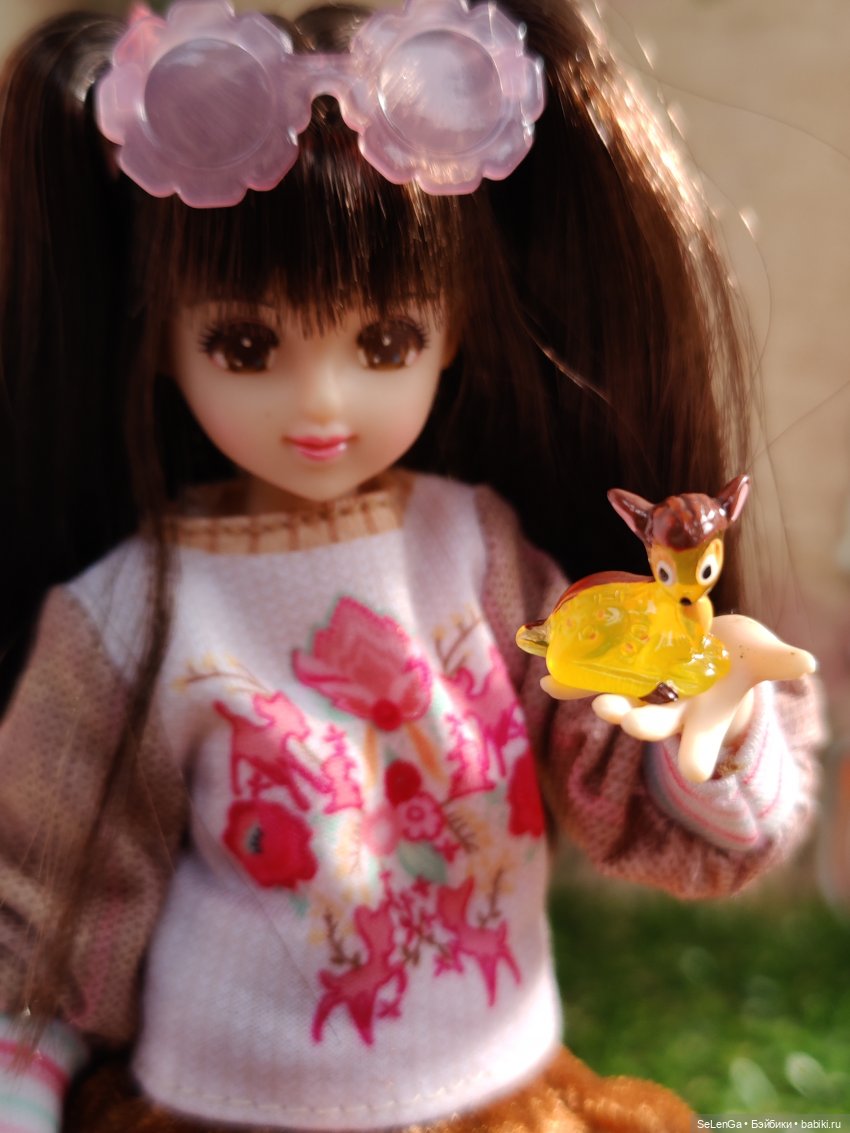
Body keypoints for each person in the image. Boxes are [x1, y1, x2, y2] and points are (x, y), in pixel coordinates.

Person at [0, 0, 822, 1130]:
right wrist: (24, 1057)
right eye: (245, 344)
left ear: (455, 330)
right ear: (161, 341)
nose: (321, 403)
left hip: (491, 1084)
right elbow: (51, 885)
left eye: (385, 341)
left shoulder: (478, 552)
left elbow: (619, 769)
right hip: (236, 1102)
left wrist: (708, 722)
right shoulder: (131, 612)